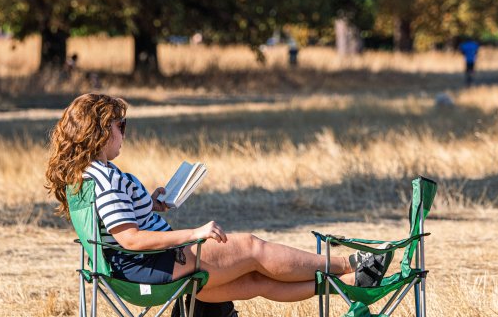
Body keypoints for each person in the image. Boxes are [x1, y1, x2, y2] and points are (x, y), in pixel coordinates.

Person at [44, 94, 388, 303]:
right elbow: (130, 238)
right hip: (149, 268)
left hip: (138, 266)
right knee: (252, 246)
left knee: (256, 280)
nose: (125, 134)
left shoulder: (88, 175)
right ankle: (349, 265)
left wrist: (151, 203)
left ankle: (346, 284)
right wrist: (195, 233)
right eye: (122, 126)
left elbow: (120, 224)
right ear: (100, 131)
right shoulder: (103, 177)